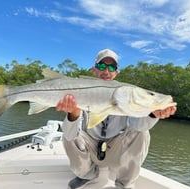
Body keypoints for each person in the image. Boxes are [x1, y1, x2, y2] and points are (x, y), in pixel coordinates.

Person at [56, 49, 177, 189]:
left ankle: (125, 184)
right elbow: (71, 134)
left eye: (112, 67)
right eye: (102, 66)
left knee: (142, 133)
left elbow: (138, 126)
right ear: (93, 70)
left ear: (116, 72)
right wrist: (73, 114)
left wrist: (153, 114)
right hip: (90, 148)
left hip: (116, 150)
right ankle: (85, 175)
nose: (106, 71)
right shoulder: (81, 89)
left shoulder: (125, 93)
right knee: (69, 133)